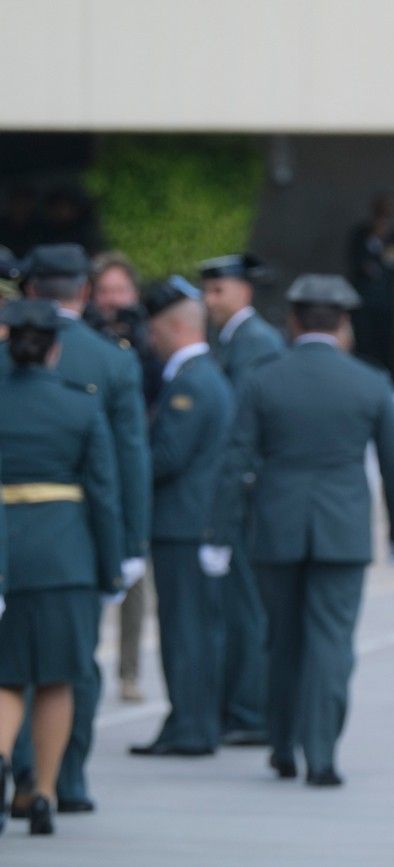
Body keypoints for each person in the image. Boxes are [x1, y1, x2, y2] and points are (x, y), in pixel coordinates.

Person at [220, 273, 394, 785]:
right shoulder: (369, 381)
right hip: (342, 530)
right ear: (344, 324)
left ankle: (282, 746)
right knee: (330, 642)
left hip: (276, 526)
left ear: (292, 321)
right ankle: (322, 755)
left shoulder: (264, 377)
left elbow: (234, 460)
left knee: (280, 640)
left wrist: (218, 532)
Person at [8, 243, 149, 816]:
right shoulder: (111, 361)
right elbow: (125, 466)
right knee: (71, 667)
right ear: (83, 292)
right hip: (72, 543)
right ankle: (63, 782)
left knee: (8, 669)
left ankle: (15, 775)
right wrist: (128, 548)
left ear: (29, 293)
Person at [0, 299, 123, 836]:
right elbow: (104, 493)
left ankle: (3, 758)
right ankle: (45, 792)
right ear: (55, 347)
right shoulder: (80, 406)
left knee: (4, 678)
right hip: (63, 556)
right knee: (55, 679)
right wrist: (112, 567)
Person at [126, 277, 234, 758]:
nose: (150, 338)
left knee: (185, 630)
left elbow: (166, 456)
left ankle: (191, 726)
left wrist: (125, 466)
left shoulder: (192, 381)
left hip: (183, 526)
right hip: (190, 525)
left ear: (172, 328)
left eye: (155, 328)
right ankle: (187, 720)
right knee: (189, 629)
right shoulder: (199, 376)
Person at [200, 251, 285, 747]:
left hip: (249, 493)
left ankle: (251, 710)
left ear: (243, 291)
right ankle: (241, 705)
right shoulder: (233, 339)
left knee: (248, 606)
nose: (211, 301)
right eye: (207, 292)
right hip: (237, 487)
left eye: (219, 290)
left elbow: (249, 422)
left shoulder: (256, 342)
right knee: (236, 606)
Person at [85, 250, 160, 704]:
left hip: (131, 466)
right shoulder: (83, 339)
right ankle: (83, 663)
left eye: (121, 290)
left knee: (135, 579)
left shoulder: (146, 340)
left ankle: (129, 670)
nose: (114, 300)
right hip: (91, 467)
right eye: (106, 291)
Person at [347, 194, 394, 374]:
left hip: (386, 301)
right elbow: (355, 261)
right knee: (364, 343)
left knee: (386, 346)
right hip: (364, 300)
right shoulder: (361, 234)